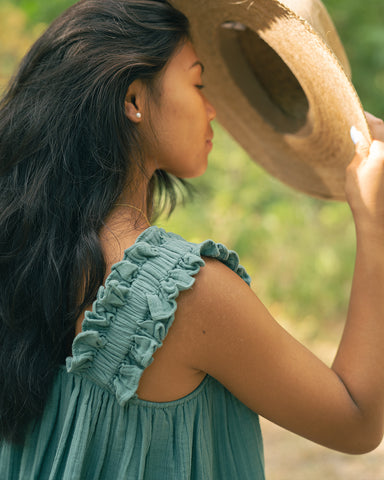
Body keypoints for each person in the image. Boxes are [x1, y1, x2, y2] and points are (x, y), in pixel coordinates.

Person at [0, 0, 384, 478]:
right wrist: (375, 225)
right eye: (198, 83)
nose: (212, 108)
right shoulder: (181, 295)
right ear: (134, 101)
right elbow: (357, 421)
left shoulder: (19, 250)